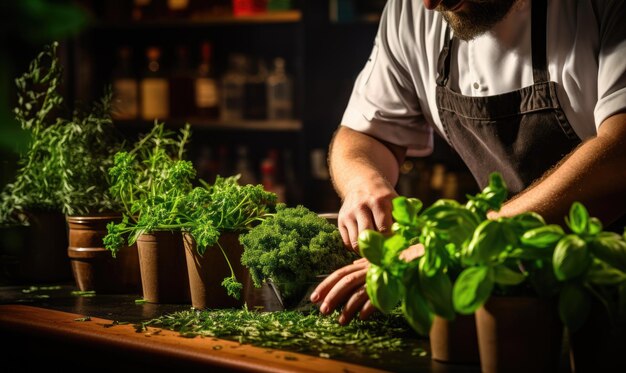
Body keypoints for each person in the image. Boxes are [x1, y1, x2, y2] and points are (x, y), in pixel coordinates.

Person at [310, 0, 626, 325]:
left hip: (610, 284)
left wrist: (457, 245)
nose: (430, 4)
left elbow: (619, 154)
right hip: (510, 289)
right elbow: (366, 134)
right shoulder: (412, 8)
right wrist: (363, 183)